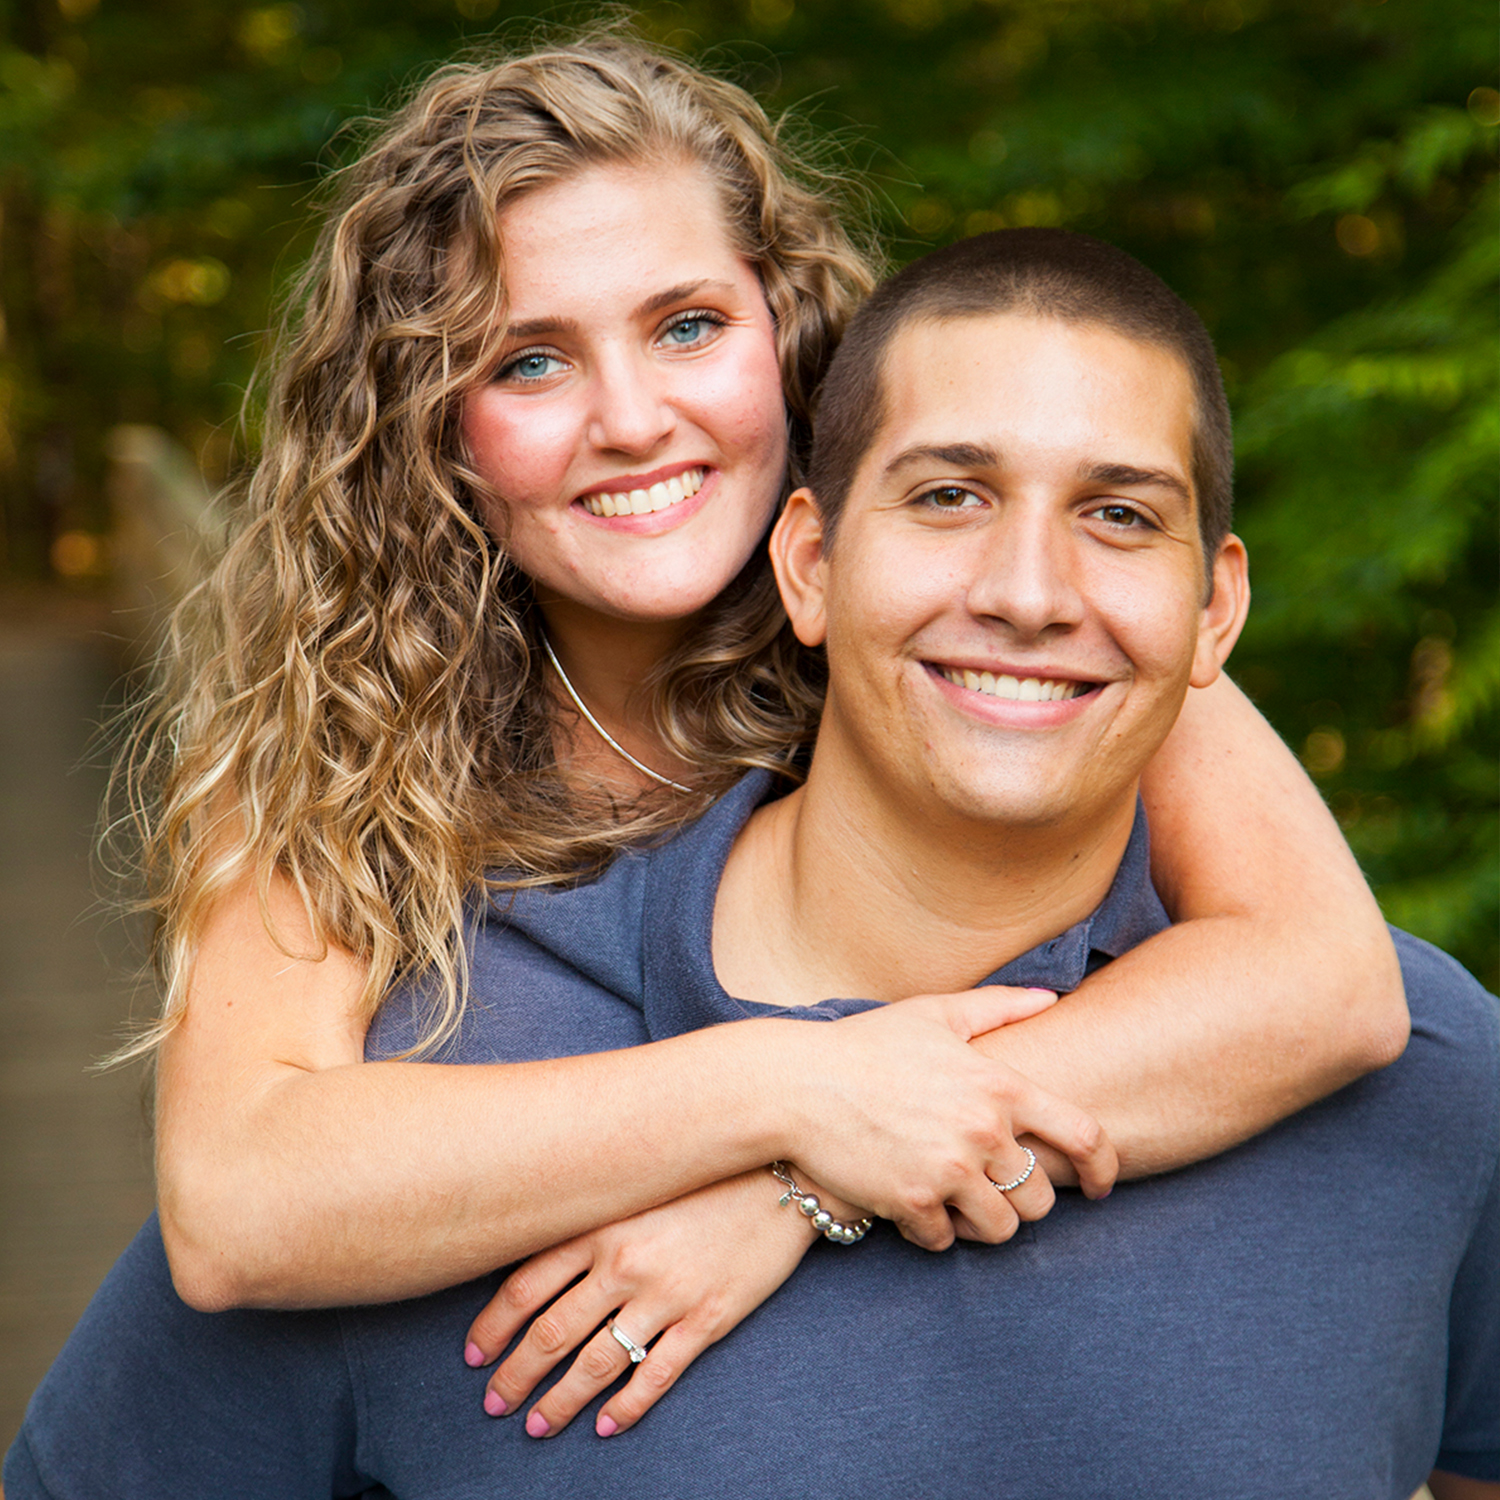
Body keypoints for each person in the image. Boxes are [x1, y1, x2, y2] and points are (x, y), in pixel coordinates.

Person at [7, 229, 1492, 1500]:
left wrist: (793, 1189)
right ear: (811, 561)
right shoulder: (427, 1110)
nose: (1033, 593)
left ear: (1214, 612)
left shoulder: (1422, 1081)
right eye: (947, 496)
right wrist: (792, 1103)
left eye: (1119, 518)